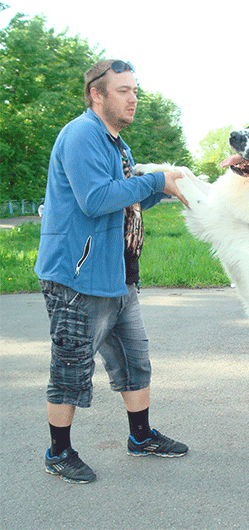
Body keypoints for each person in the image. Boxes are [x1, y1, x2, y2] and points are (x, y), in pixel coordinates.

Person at [35, 59, 189, 484]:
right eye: (123, 90)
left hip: (117, 274)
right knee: (70, 368)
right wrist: (156, 180)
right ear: (97, 96)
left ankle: (141, 438)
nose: (133, 97)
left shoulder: (117, 143)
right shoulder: (83, 134)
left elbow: (127, 200)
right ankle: (58, 452)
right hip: (76, 276)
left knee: (135, 361)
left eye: (135, 89)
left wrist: (168, 189)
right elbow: (95, 199)